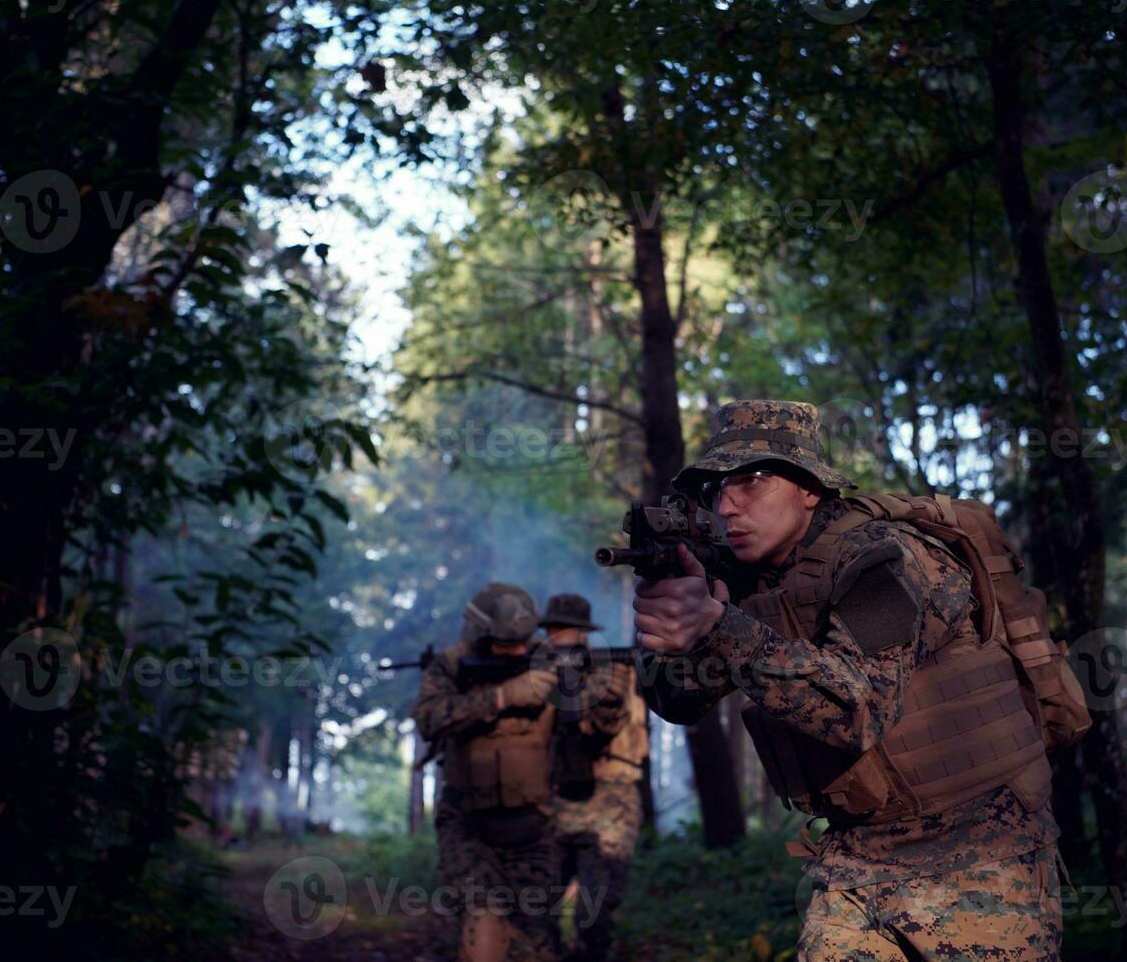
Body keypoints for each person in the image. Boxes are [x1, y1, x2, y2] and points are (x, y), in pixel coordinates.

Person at [636, 400, 1068, 961]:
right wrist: (675, 616)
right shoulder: (754, 582)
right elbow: (676, 700)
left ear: (810, 489)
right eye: (715, 490)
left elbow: (855, 710)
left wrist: (719, 624)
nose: (728, 506)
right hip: (856, 860)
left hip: (979, 851)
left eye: (753, 481)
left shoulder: (885, 558)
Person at [412, 583, 561, 962]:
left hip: (533, 825)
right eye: (505, 645)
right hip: (467, 823)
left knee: (535, 944)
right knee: (485, 923)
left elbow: (592, 733)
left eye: (522, 644)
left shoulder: (553, 664)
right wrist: (502, 696)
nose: (516, 653)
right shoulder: (450, 664)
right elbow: (429, 718)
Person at [538, 593, 646, 962]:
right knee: (538, 908)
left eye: (564, 630)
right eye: (552, 630)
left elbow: (601, 724)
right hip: (555, 800)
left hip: (609, 803)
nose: (557, 637)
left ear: (583, 634)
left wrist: (566, 677)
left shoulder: (614, 669)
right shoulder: (540, 671)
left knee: (595, 912)